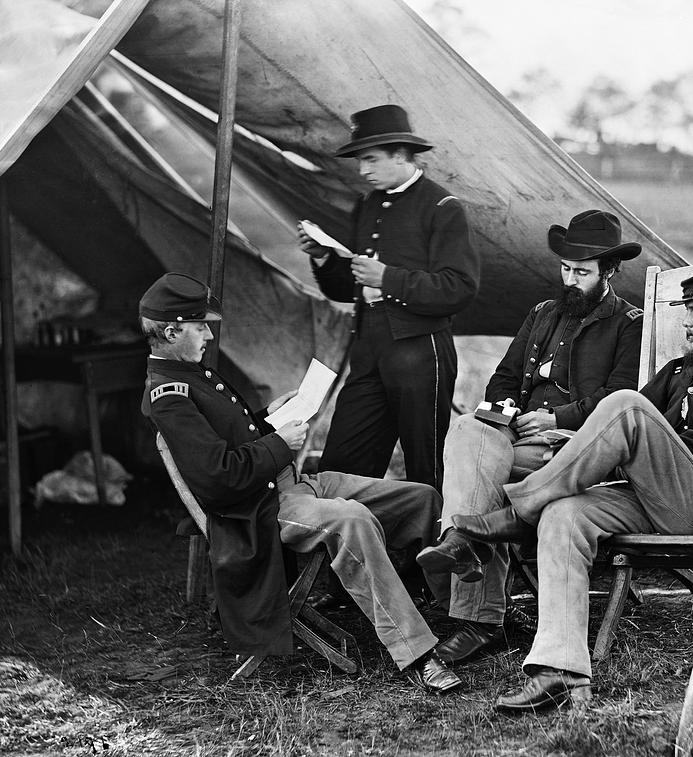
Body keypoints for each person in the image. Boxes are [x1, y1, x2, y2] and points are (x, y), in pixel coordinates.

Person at [453, 262, 693, 710]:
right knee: (564, 513)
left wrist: (657, 444)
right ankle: (561, 671)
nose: (686, 320)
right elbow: (617, 433)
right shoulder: (677, 370)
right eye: (685, 309)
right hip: (649, 496)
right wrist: (606, 444)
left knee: (627, 406)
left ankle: (518, 512)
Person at [139, 272, 461, 693]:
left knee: (421, 498)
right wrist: (279, 443)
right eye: (199, 326)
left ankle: (458, 611)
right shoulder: (170, 394)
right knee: (353, 521)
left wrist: (267, 418)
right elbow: (220, 477)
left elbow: (230, 436)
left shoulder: (191, 371)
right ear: (169, 331)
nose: (208, 335)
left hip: (291, 484)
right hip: (260, 510)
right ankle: (418, 653)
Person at [414, 210, 644, 666]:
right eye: (566, 269)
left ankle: (477, 614)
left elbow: (621, 399)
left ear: (610, 271)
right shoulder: (542, 313)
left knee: (486, 478)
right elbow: (502, 378)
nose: (571, 279)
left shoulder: (629, 323)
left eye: (582, 272)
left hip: (574, 447)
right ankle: (462, 542)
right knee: (466, 428)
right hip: (517, 437)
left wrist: (554, 416)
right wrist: (511, 412)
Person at [297, 104, 480, 490]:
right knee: (342, 465)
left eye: (370, 159)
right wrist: (325, 258)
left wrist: (389, 278)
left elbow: (459, 288)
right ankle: (349, 544)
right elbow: (346, 288)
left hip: (420, 351)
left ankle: (431, 547)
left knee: (426, 467)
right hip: (369, 350)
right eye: (361, 161)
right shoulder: (366, 205)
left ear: (400, 154)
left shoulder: (442, 208)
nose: (363, 170)